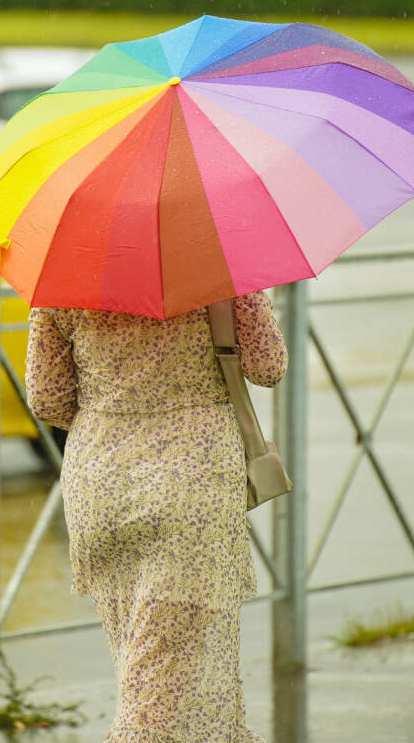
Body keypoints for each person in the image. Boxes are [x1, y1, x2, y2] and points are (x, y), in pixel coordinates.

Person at [25, 292, 287, 743]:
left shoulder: (65, 280)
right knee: (160, 692)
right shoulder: (216, 267)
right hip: (191, 482)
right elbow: (267, 367)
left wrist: (115, 409)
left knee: (146, 666)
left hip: (100, 480)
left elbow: (47, 399)